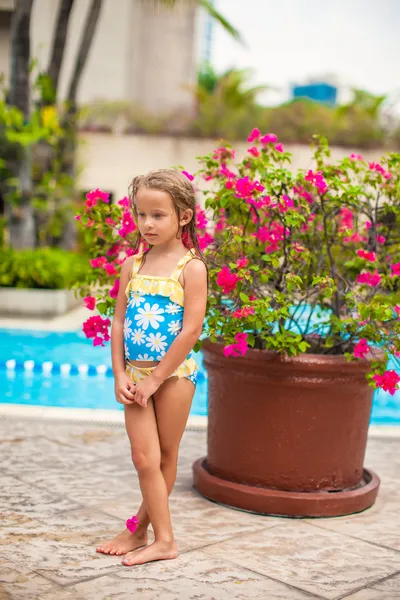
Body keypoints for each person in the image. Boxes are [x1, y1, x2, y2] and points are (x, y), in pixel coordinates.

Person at [96, 169, 208, 567]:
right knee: (143, 458)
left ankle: (155, 537)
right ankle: (145, 532)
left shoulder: (191, 269)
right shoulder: (133, 265)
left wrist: (158, 378)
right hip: (136, 375)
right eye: (141, 215)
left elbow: (191, 330)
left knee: (164, 456)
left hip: (174, 376)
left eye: (158, 215)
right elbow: (118, 322)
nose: (147, 224)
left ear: (184, 216)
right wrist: (121, 374)